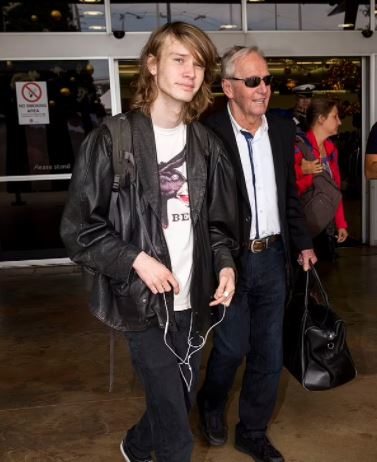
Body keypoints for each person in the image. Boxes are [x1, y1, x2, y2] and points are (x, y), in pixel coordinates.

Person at [60, 22, 239, 462]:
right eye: (179, 59)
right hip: (141, 303)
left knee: (178, 400)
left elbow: (218, 225)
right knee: (177, 434)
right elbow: (79, 229)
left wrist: (226, 264)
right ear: (152, 65)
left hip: (194, 301)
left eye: (198, 63)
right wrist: (136, 259)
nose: (190, 71)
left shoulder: (205, 144)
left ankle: (137, 445)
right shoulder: (111, 139)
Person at [197, 46, 317, 462]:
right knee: (231, 347)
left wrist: (302, 242)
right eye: (252, 81)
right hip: (229, 261)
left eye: (267, 80)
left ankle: (252, 430)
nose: (263, 88)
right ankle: (211, 404)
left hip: (273, 258)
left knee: (269, 350)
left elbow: (289, 197)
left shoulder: (282, 131)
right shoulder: (209, 134)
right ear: (228, 88)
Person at [294, 97, 348, 259]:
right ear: (321, 119)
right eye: (335, 116)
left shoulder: (331, 150)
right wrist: (302, 171)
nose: (339, 122)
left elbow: (334, 189)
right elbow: (287, 186)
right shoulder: (299, 148)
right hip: (305, 228)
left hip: (325, 229)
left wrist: (341, 224)